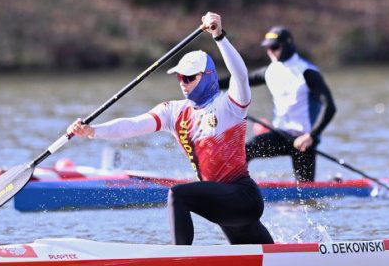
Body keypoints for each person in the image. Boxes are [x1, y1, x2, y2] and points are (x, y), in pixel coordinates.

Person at [67, 12, 273, 246]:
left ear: (207, 76)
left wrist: (219, 36)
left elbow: (241, 74)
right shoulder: (173, 111)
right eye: (179, 78)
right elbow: (132, 125)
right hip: (221, 204)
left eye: (188, 78)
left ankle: (180, 260)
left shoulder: (230, 105)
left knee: (178, 194)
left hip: (242, 196)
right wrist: (93, 131)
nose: (183, 83)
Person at [220, 26, 336, 182]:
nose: (270, 52)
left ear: (287, 46)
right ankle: (235, 185)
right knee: (244, 151)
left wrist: (312, 136)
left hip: (304, 142)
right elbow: (237, 80)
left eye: (274, 47)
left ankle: (333, 185)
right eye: (267, 48)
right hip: (280, 136)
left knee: (306, 195)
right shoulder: (270, 71)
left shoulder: (308, 72)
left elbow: (330, 107)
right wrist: (209, 83)